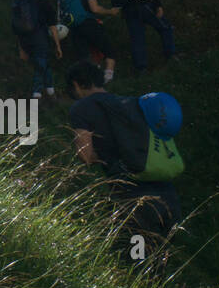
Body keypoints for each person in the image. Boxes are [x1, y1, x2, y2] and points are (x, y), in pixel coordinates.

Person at [66, 59, 181, 259]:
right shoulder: (132, 103)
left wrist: (103, 158)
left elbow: (85, 154)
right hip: (168, 196)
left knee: (136, 267)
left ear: (76, 84)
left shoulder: (81, 108)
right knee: (158, 266)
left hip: (134, 201)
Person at [117, 0, 178, 73]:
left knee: (137, 38)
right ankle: (170, 55)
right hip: (144, 6)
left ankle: (141, 67)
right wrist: (158, 5)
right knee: (165, 27)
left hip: (129, 10)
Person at [13, 0, 62, 101]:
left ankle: (51, 91)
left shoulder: (19, 2)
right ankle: (37, 94)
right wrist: (58, 45)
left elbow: (15, 26)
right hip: (39, 38)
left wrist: (21, 48)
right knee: (41, 64)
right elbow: (53, 27)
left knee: (44, 62)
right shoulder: (43, 2)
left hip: (24, 39)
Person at [72, 0, 120, 84]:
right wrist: (110, 12)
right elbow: (94, 9)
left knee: (84, 58)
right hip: (89, 26)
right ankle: (108, 81)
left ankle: (86, 84)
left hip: (75, 28)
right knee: (110, 52)